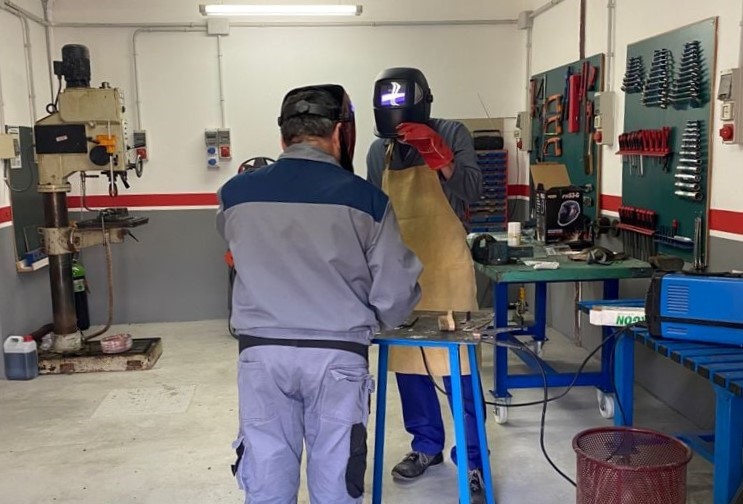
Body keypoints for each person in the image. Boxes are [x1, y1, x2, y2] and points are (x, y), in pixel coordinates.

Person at [218, 84, 423, 504]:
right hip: (337, 355)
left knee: (266, 476)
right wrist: (374, 319)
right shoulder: (367, 200)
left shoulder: (234, 194)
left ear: (283, 138)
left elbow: (238, 251)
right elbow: (395, 294)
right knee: (336, 482)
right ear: (340, 133)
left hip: (261, 354)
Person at [366, 67, 486, 503]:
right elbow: (375, 213)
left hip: (447, 269)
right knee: (409, 366)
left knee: (459, 369)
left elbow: (473, 191)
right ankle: (426, 446)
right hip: (402, 272)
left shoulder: (452, 132)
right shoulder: (379, 151)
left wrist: (441, 157)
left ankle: (473, 459)